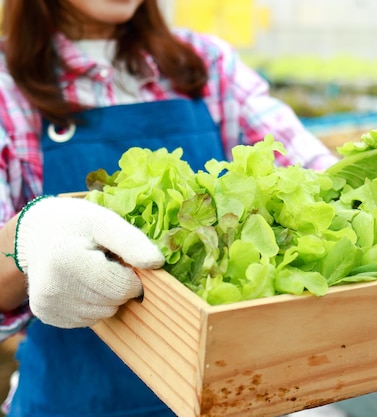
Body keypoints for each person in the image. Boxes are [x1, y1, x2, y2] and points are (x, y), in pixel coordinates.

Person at [0, 1, 339, 416]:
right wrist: (28, 236)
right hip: (75, 398)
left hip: (229, 394)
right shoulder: (6, 85)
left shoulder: (206, 62)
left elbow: (316, 180)